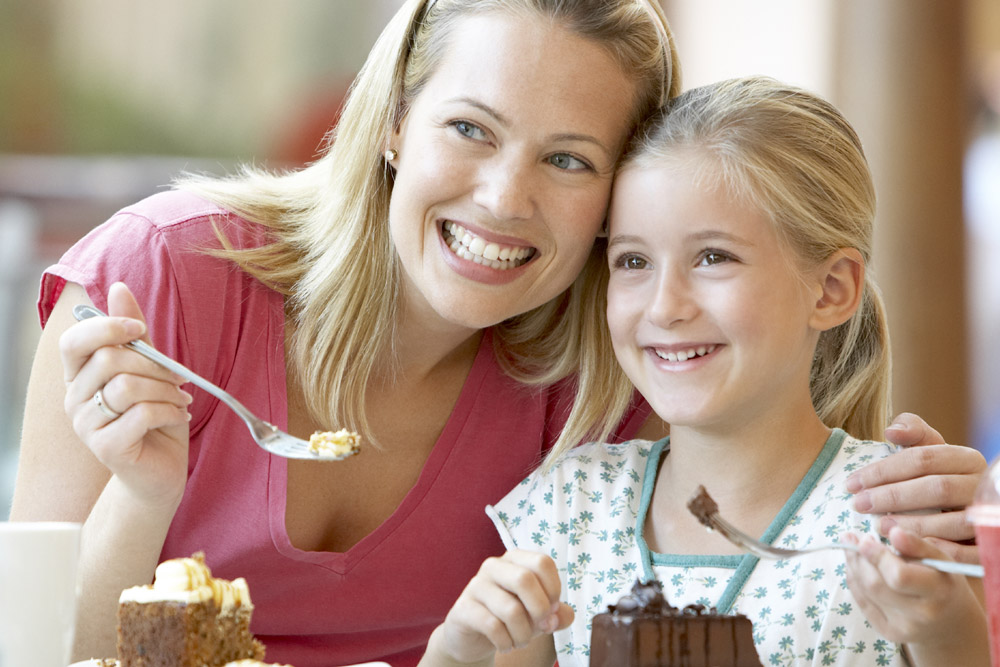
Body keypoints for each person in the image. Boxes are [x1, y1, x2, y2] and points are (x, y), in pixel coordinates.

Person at [8, 0, 981, 664]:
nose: (504, 197)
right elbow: (35, 649)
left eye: (566, 158)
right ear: (394, 119)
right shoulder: (155, 283)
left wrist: (912, 496)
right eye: (470, 129)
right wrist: (143, 493)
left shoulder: (607, 388)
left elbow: (774, 487)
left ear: (613, 198)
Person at [422, 77, 988, 667]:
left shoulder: (905, 520)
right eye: (633, 260)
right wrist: (455, 653)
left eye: (713, 257)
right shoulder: (569, 511)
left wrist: (947, 630)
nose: (666, 306)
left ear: (830, 289)